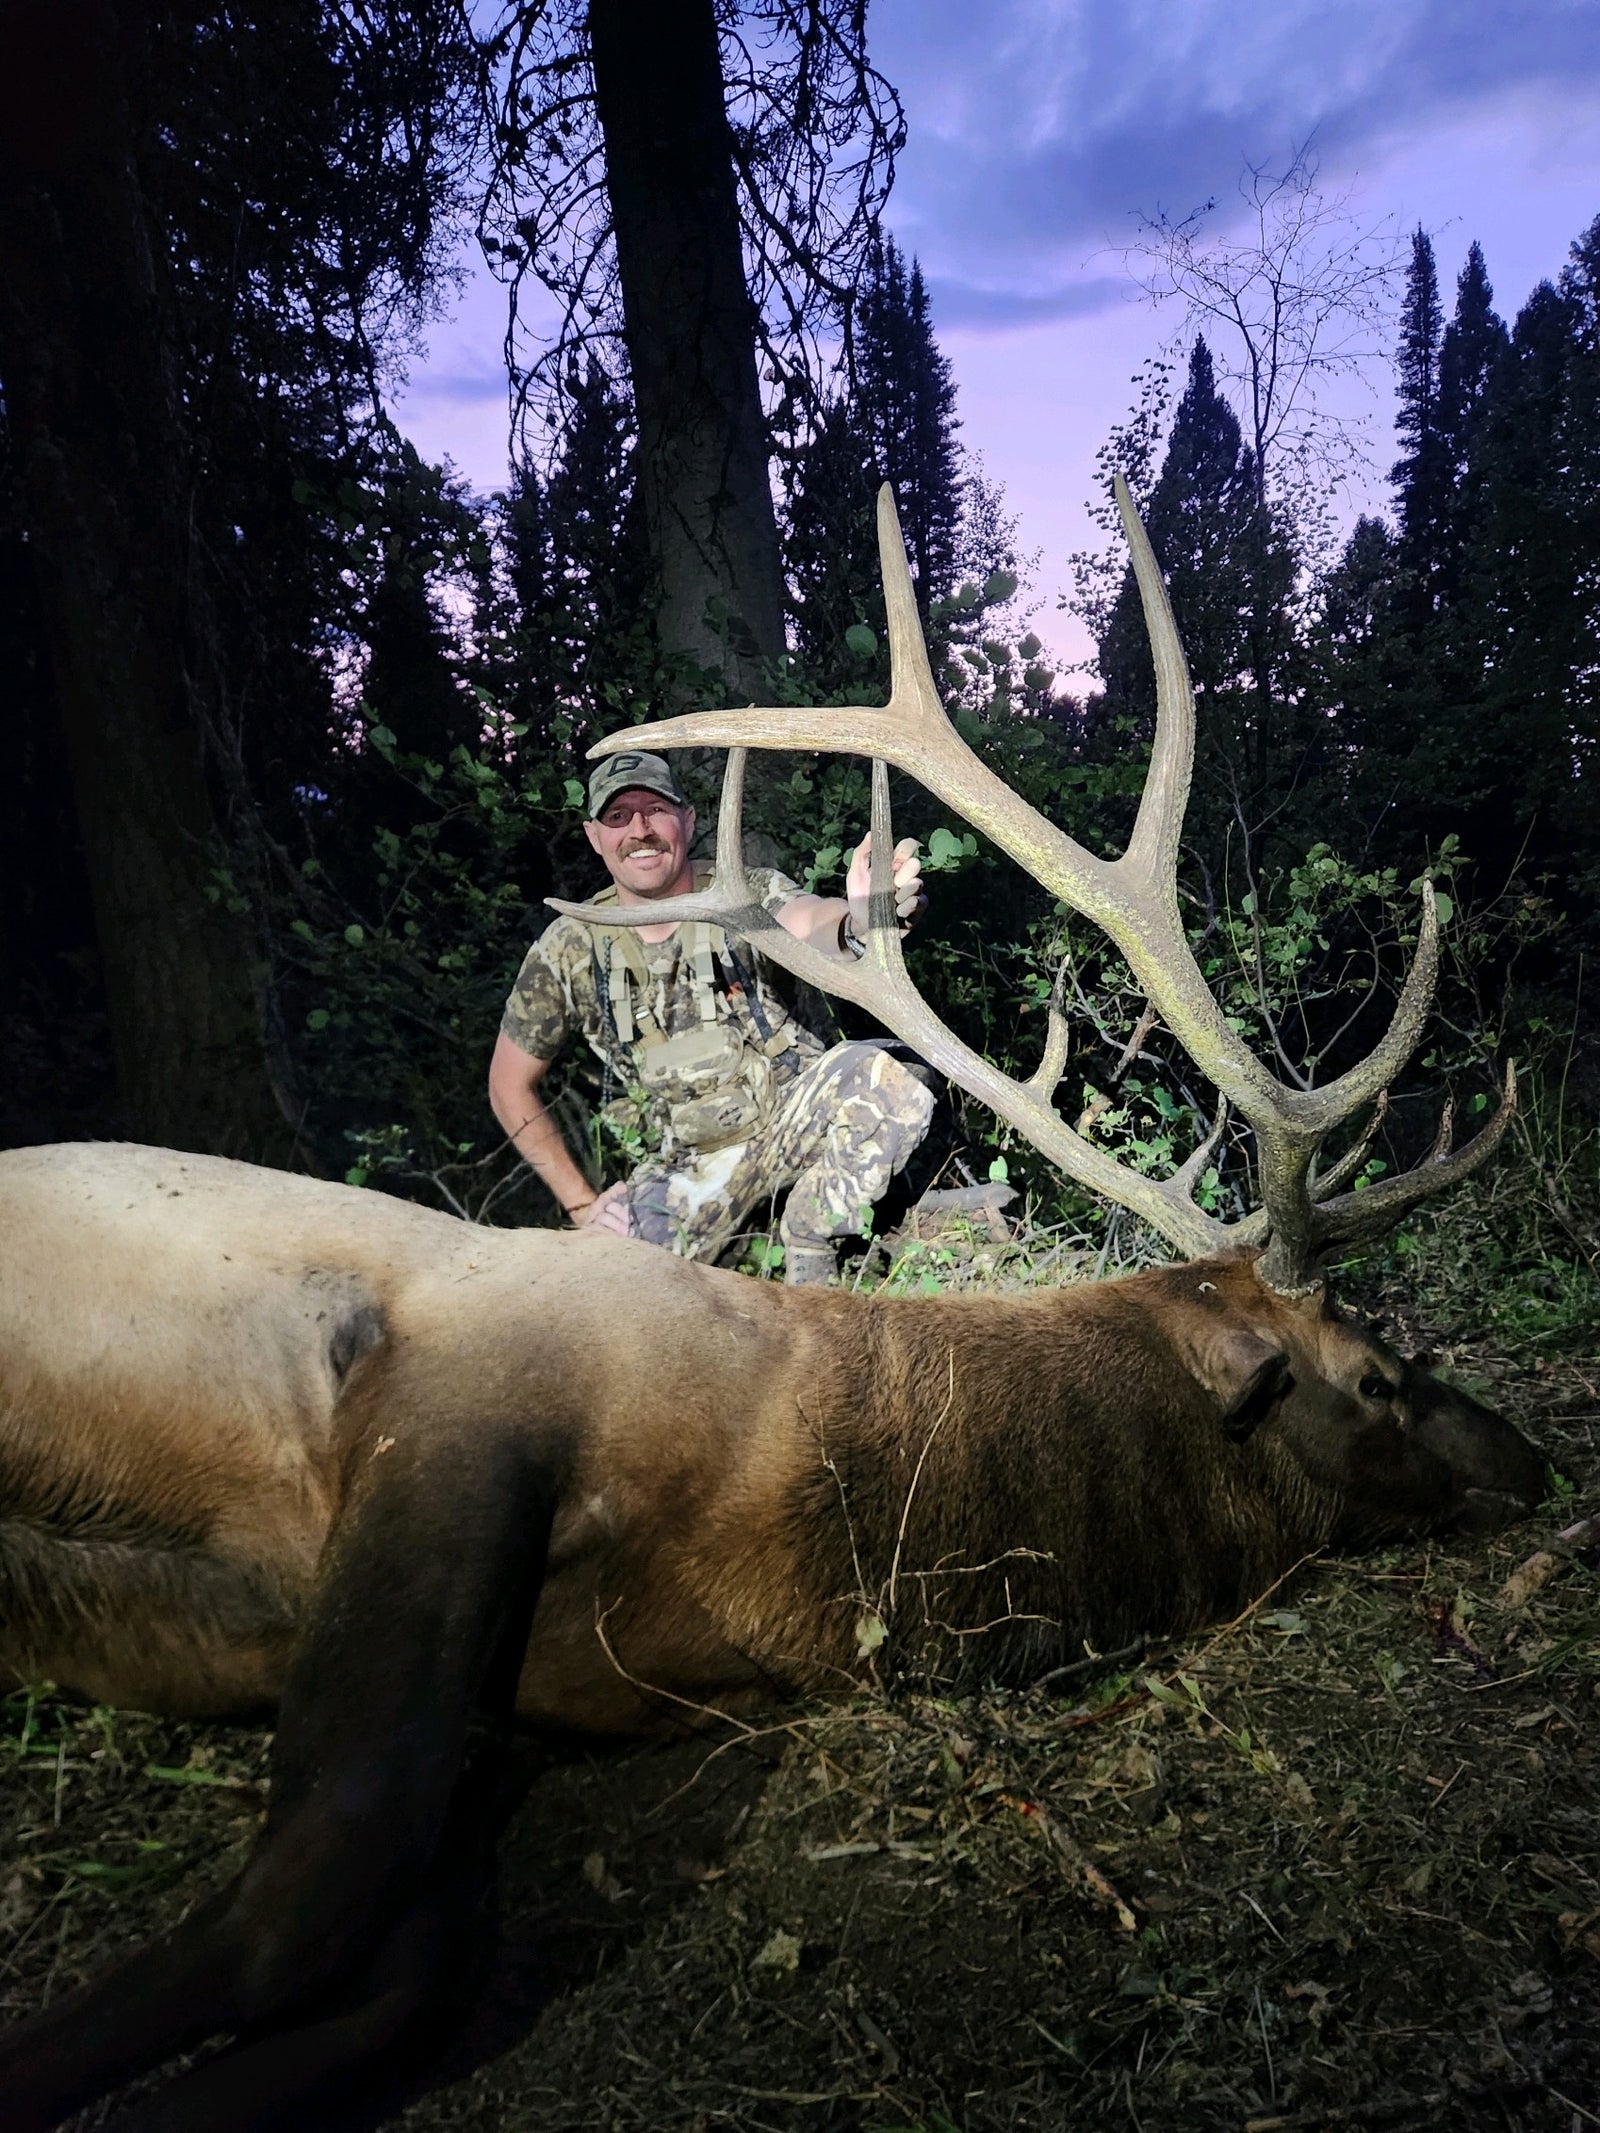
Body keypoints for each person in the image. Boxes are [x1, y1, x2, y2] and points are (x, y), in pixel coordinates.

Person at [488, 749, 935, 1284]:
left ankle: (811, 1242)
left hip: (793, 1125)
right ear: (594, 836)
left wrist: (859, 919)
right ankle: (745, 1253)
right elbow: (507, 1085)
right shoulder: (572, 945)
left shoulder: (744, 893)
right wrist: (584, 1207)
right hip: (686, 1169)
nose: (640, 830)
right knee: (602, 1286)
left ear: (688, 820)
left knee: (891, 1075)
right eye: (618, 817)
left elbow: (809, 921)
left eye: (656, 810)